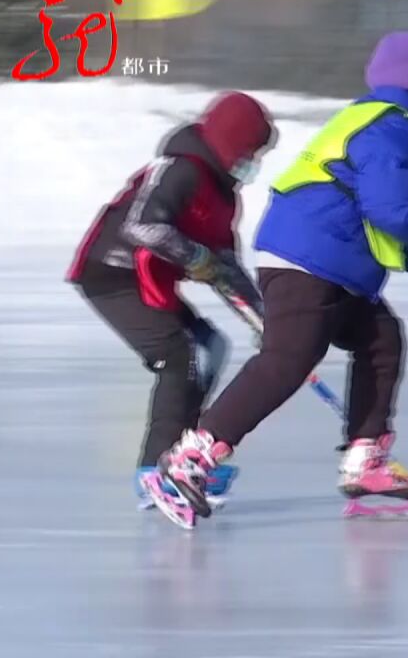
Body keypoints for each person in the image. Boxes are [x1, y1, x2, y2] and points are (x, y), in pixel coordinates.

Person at [144, 31, 408, 525]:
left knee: (380, 339)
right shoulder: (394, 125)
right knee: (286, 361)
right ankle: (189, 459)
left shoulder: (368, 117)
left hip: (325, 259)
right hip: (312, 259)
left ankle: (366, 463)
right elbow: (392, 211)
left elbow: (381, 218)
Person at [66, 91, 277, 508]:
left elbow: (226, 266)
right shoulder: (180, 169)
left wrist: (267, 327)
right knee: (179, 355)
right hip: (110, 272)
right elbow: (141, 226)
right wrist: (196, 257)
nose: (252, 162)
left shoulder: (223, 196)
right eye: (250, 152)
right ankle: (153, 471)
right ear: (231, 143)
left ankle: (184, 460)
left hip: (149, 281)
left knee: (211, 348)